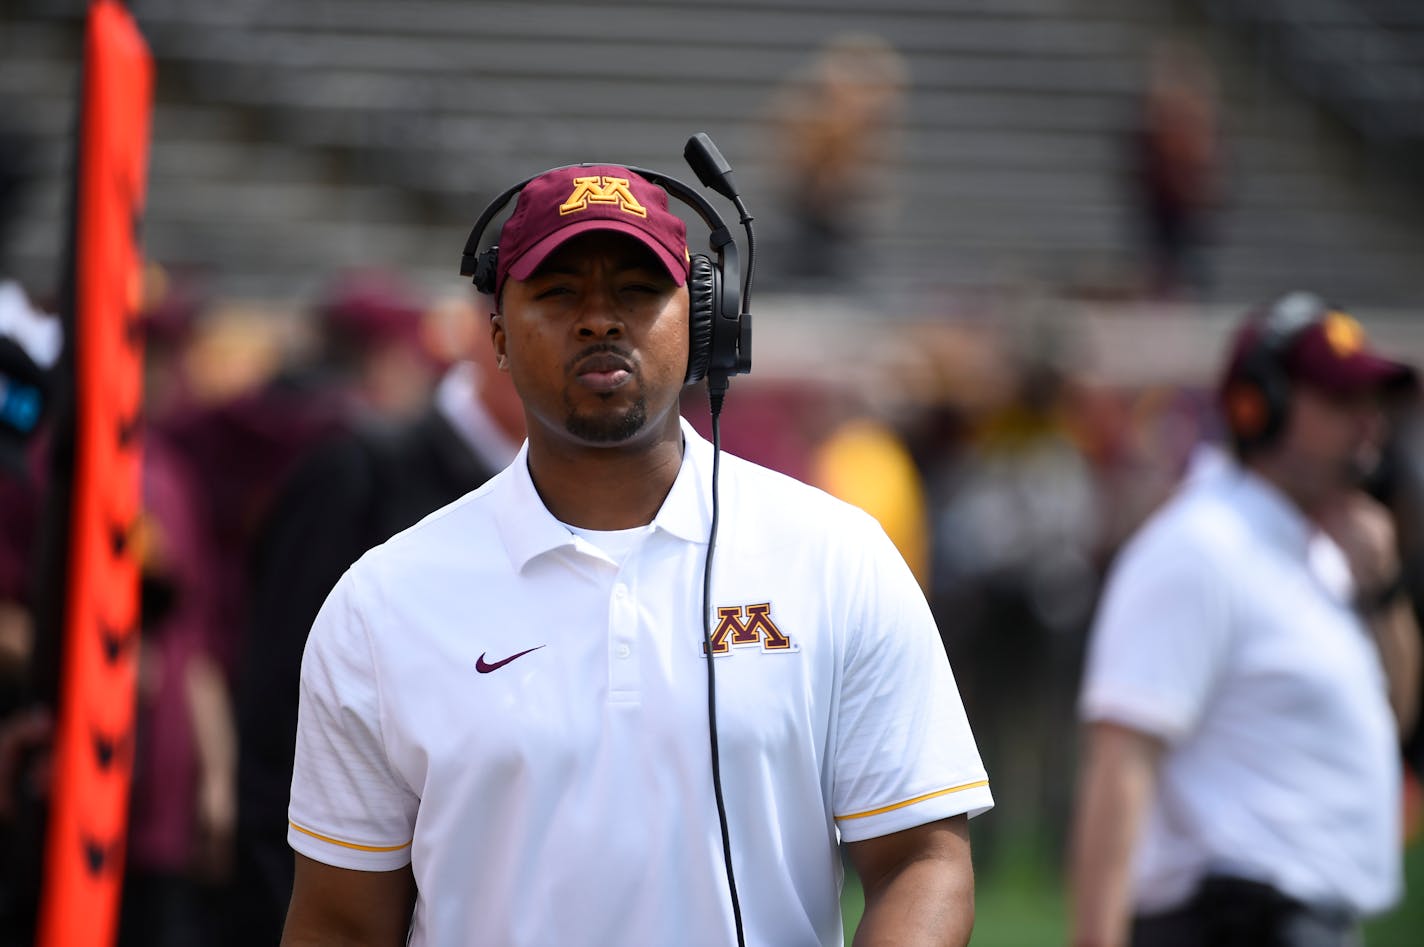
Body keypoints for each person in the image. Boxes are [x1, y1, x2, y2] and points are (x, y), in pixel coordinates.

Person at [280, 162, 992, 946]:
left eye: (637, 290)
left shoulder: (836, 557)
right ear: (497, 337)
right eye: (556, 294)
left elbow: (921, 859)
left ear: (703, 322)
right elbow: (341, 922)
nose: (598, 320)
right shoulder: (381, 603)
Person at [1069, 291, 1421, 947]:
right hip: (1232, 921)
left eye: (1369, 401)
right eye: (1341, 401)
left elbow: (1394, 716)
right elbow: (1120, 765)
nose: (1368, 423)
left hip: (1307, 918)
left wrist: (1382, 588)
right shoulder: (1200, 547)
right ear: (1258, 405)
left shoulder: (1323, 548)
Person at [230, 297, 523, 947]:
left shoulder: (606, 508)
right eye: (557, 297)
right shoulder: (359, 471)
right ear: (490, 328)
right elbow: (281, 724)